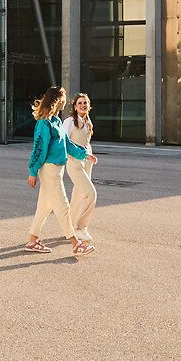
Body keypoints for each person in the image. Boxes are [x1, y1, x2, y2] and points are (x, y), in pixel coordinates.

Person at [23, 86, 91, 256]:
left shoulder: (57, 121)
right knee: (63, 207)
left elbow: (67, 144)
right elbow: (38, 149)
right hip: (49, 171)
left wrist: (84, 154)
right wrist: (33, 172)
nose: (65, 102)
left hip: (57, 170)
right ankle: (76, 244)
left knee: (44, 207)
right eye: (63, 98)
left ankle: (32, 240)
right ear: (57, 100)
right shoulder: (44, 123)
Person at [63, 91, 99, 252]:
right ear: (75, 106)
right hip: (74, 163)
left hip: (87, 162)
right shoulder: (70, 121)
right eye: (80, 103)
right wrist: (70, 157)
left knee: (78, 196)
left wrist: (90, 156)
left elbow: (86, 143)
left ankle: (69, 228)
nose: (83, 105)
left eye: (85, 103)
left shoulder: (88, 122)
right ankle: (80, 227)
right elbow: (63, 142)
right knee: (90, 193)